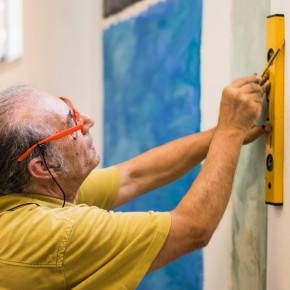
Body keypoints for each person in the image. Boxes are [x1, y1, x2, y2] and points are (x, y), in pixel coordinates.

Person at [0, 73, 270, 289]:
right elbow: (193, 228)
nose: (87, 121)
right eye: (70, 122)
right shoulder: (56, 233)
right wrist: (231, 130)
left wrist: (222, 134)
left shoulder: (32, 197)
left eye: (71, 108)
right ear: (42, 167)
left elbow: (135, 175)